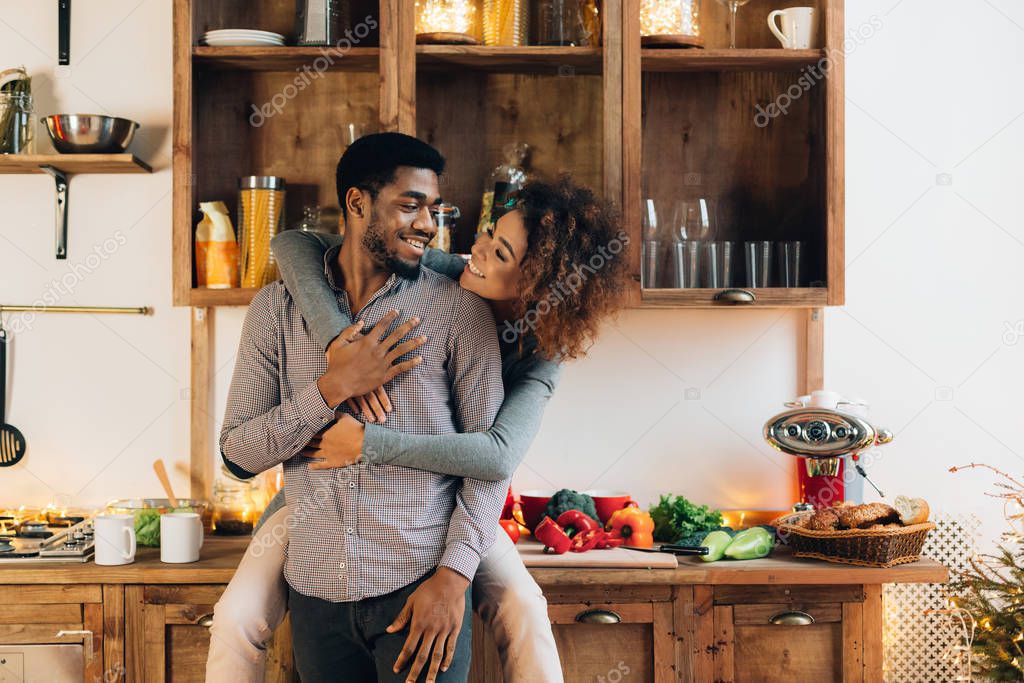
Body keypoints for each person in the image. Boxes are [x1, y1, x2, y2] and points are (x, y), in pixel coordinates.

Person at [207, 172, 630, 682]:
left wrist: (370, 444)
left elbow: (496, 458)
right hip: (316, 504)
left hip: (460, 503)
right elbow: (295, 243)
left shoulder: (542, 358)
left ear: (538, 286)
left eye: (500, 253)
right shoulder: (452, 273)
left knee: (524, 609)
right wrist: (341, 344)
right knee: (233, 619)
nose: (477, 248)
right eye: (490, 235)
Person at [215, 132, 510, 682]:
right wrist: (330, 388)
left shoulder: (460, 311)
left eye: (432, 208)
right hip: (316, 593)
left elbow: (487, 465)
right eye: (409, 205)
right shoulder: (276, 310)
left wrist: (454, 579)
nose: (427, 223)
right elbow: (237, 454)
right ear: (357, 203)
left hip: (420, 588)